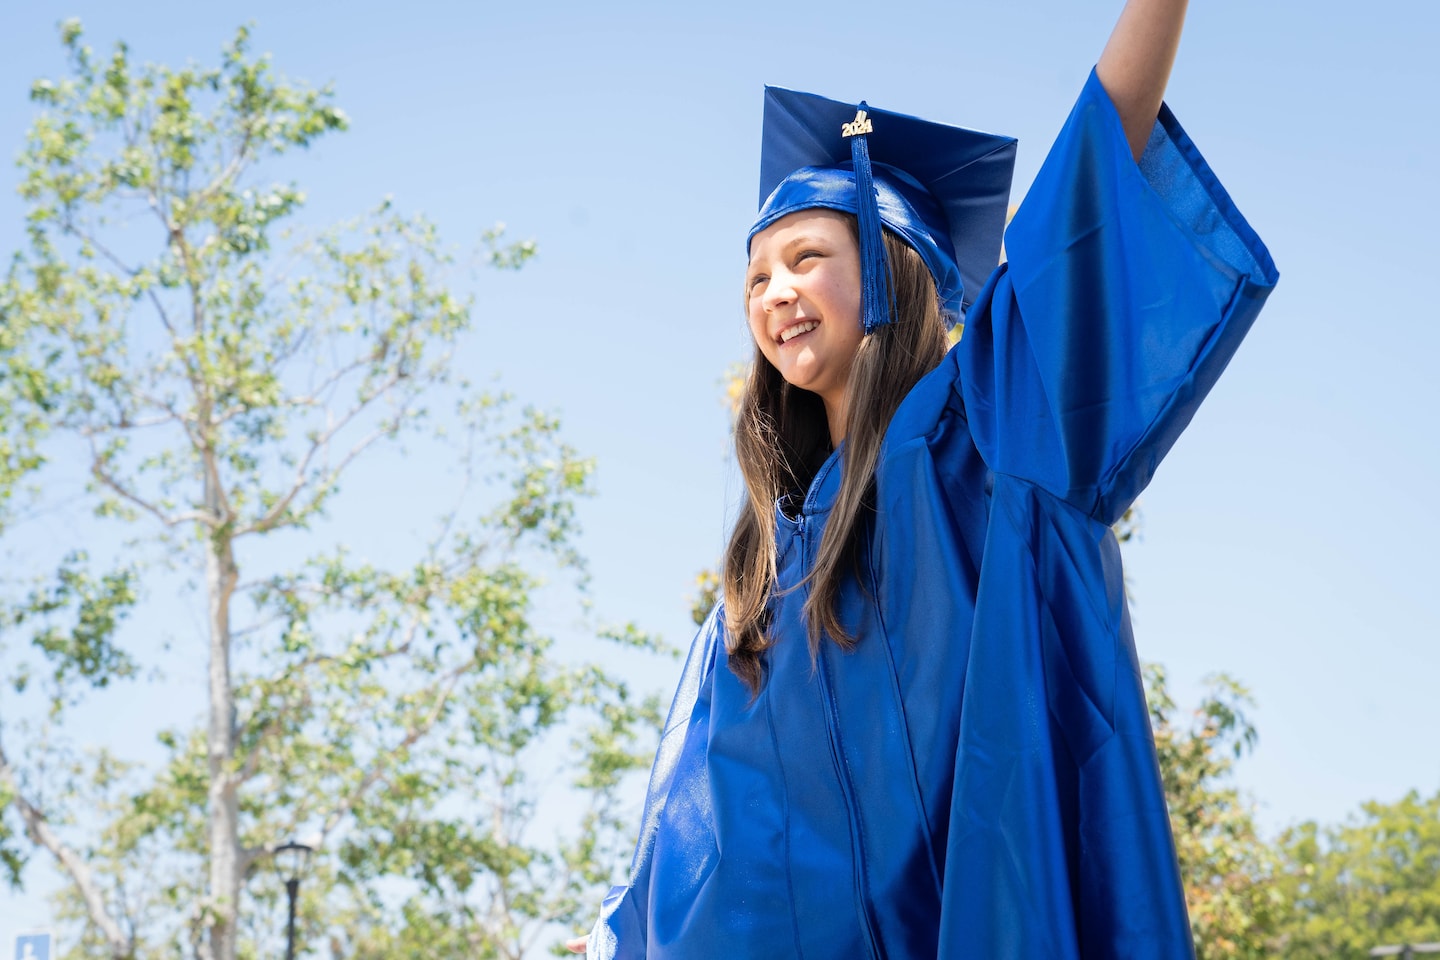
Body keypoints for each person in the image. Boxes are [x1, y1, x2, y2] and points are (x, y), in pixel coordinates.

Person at [570, 0, 1278, 955]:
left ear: (894, 271)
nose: (774, 291)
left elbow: (1094, 164)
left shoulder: (982, 433)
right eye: (755, 278)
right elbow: (686, 830)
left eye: (806, 257)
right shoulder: (761, 581)